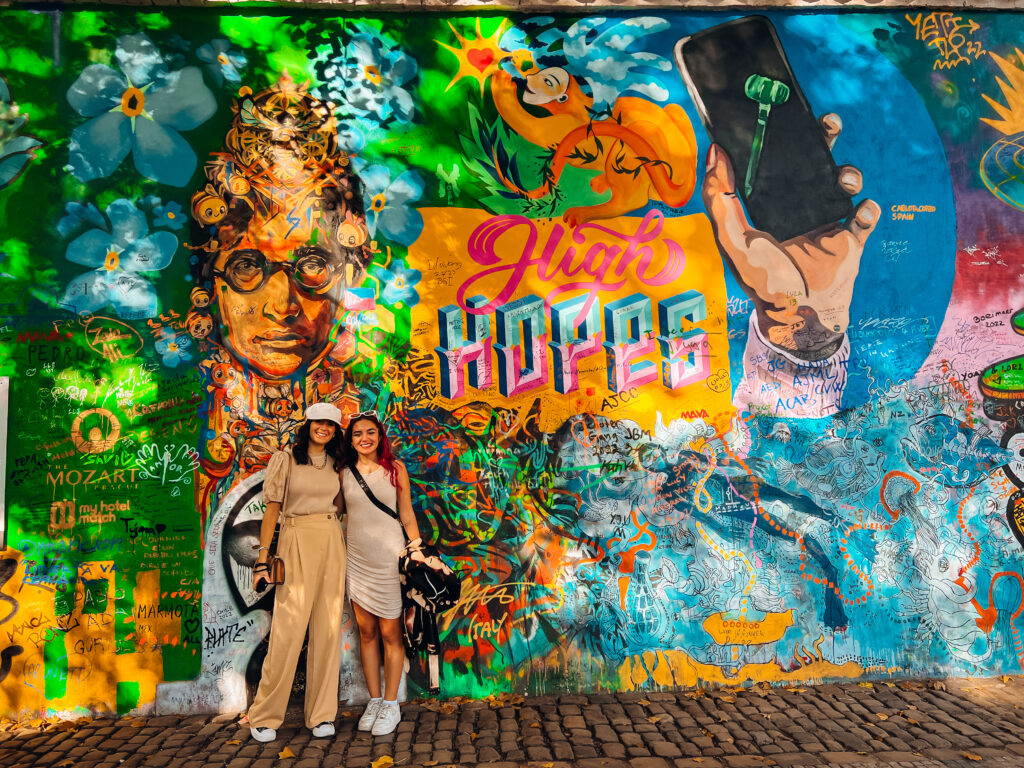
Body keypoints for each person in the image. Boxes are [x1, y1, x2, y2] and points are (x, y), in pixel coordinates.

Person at [247, 401, 347, 742]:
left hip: (331, 540)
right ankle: (264, 715)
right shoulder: (286, 459)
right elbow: (272, 510)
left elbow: (341, 506)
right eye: (319, 422)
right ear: (307, 425)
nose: (325, 428)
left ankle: (321, 714)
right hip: (295, 539)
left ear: (335, 431)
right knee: (287, 632)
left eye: (331, 425)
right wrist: (263, 558)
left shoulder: (337, 463)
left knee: (328, 630)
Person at [340, 412, 421, 736]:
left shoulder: (395, 470)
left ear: (379, 436)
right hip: (357, 561)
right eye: (357, 433)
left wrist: (418, 553)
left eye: (370, 432)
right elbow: (334, 513)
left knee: (391, 633)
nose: (364, 438)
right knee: (368, 633)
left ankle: (391, 705)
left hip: (390, 560)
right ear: (351, 439)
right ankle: (374, 700)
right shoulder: (343, 474)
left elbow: (407, 513)